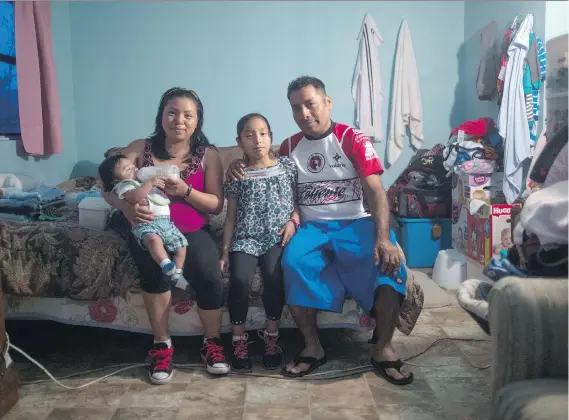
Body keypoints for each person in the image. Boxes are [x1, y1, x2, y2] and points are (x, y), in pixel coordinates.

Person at [227, 76, 414, 385]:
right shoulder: (288, 147)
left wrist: (383, 238)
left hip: (356, 222)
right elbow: (257, 158)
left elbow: (377, 191)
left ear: (327, 103)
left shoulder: (352, 138)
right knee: (292, 263)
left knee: (390, 267)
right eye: (296, 108)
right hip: (312, 228)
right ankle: (313, 348)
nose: (304, 113)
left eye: (310, 104)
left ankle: (384, 349)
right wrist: (237, 162)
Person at [103, 87, 230, 384]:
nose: (179, 120)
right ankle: (162, 345)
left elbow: (216, 204)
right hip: (147, 227)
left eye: (188, 115)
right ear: (161, 116)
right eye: (172, 112)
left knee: (210, 273)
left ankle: (211, 343)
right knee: (153, 269)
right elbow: (106, 186)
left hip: (191, 228)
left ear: (198, 121)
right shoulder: (139, 147)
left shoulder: (208, 155)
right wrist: (125, 207)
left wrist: (185, 191)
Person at [220, 113, 299, 371]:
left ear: (271, 137)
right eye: (249, 135)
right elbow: (230, 217)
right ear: (239, 141)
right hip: (245, 238)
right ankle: (238, 339)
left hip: (277, 236)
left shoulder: (287, 166)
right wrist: (224, 251)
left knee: (274, 276)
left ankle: (271, 337)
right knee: (240, 279)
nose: (258, 140)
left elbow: (300, 203)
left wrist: (293, 221)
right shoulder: (237, 174)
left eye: (263, 133)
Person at [98, 154, 191, 292]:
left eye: (132, 165)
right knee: (154, 242)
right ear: (115, 180)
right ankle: (165, 263)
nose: (133, 168)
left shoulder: (142, 182)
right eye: (126, 169)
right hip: (148, 223)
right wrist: (150, 183)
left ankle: (177, 274)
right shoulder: (125, 186)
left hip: (167, 223)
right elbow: (135, 197)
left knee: (181, 247)